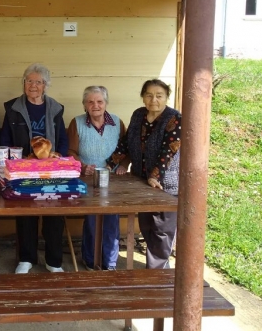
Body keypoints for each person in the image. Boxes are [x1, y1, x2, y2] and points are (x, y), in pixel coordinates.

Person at [0, 63, 69, 274]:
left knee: (54, 214)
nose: (33, 85)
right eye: (29, 81)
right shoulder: (13, 109)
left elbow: (63, 140)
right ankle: (26, 259)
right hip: (23, 169)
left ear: (45, 85)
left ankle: (53, 261)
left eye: (38, 82)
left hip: (51, 169)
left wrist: (59, 163)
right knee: (25, 214)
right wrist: (9, 165)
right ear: (24, 83)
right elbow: (5, 139)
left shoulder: (55, 109)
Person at [106, 79, 181, 269]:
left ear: (166, 97)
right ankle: (157, 267)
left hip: (165, 183)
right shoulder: (138, 115)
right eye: (149, 95)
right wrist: (110, 165)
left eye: (159, 95)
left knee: (162, 228)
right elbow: (126, 142)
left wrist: (155, 176)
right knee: (147, 225)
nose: (153, 99)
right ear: (143, 96)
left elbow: (169, 151)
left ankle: (157, 272)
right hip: (141, 180)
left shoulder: (174, 118)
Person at [67, 86, 126, 270]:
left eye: (99, 101)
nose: (95, 105)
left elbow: (126, 149)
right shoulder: (76, 123)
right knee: (92, 219)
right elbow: (70, 151)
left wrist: (122, 165)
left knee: (111, 220)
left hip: (113, 179)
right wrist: (83, 166)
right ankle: (91, 260)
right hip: (88, 179)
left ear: (106, 103)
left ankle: (109, 262)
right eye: (90, 102)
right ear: (84, 104)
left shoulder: (117, 122)